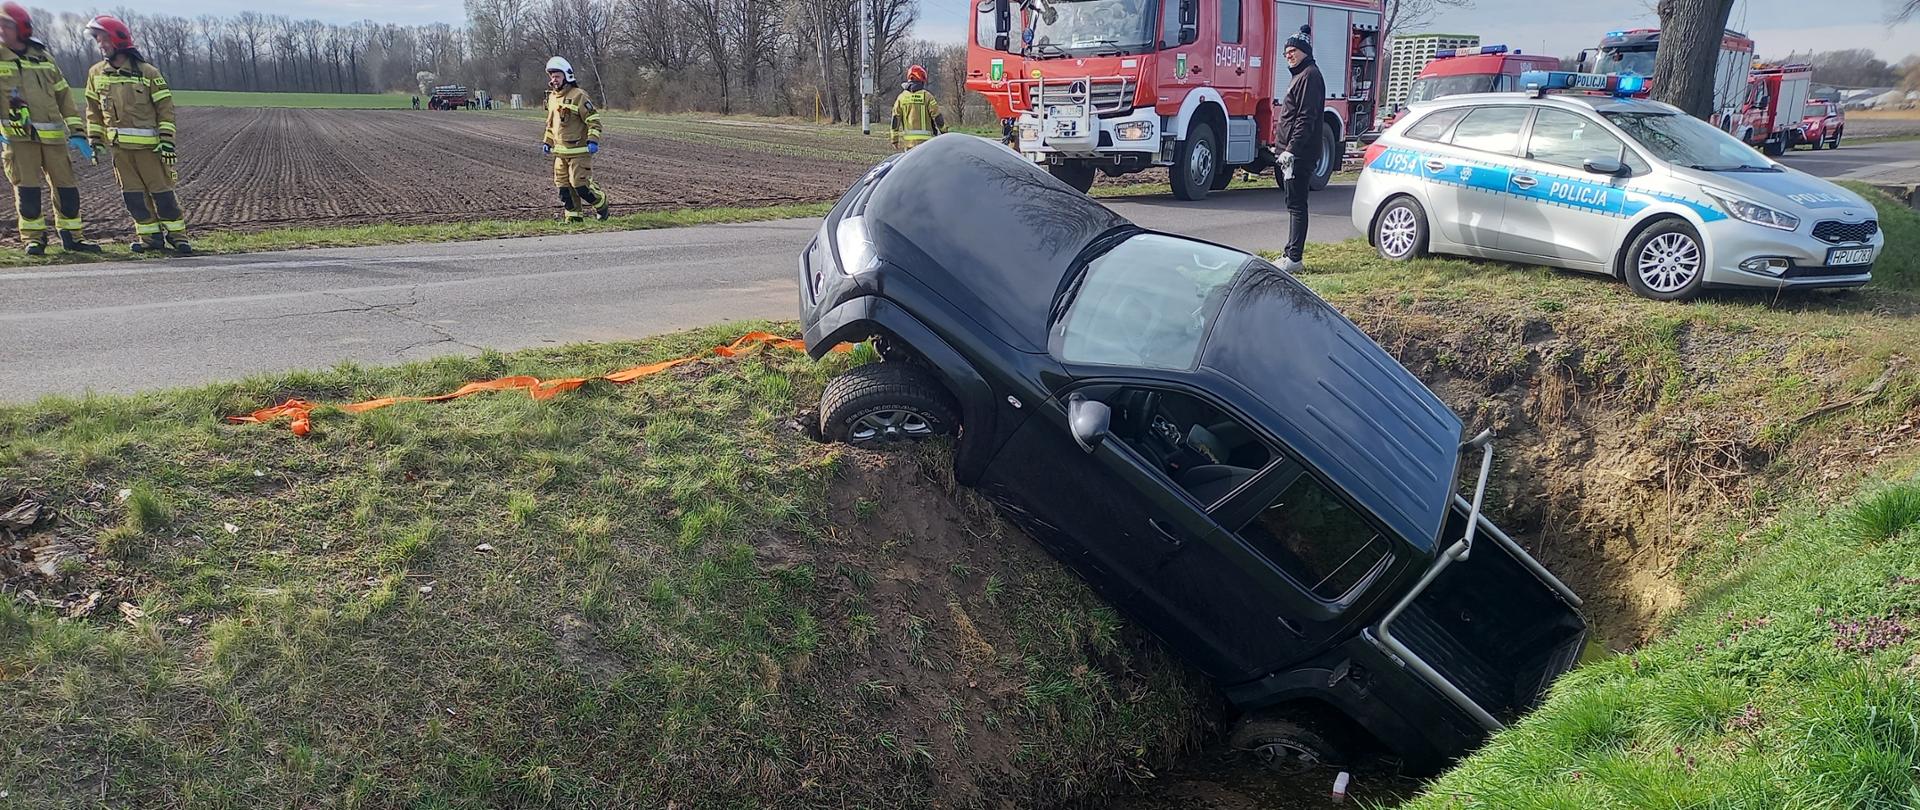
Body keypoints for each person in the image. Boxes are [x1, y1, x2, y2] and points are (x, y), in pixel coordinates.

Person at [0, 2, 99, 255]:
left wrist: (76, 130)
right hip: (19, 139)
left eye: (7, 24)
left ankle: (73, 237)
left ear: (22, 28)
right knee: (28, 191)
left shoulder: (44, 58)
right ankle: (34, 239)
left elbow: (63, 95)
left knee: (67, 189)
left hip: (54, 140)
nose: (1, 29)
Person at [84, 15, 187, 253]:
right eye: (98, 40)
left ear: (118, 39)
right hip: (120, 152)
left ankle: (178, 238)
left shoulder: (148, 73)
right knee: (134, 198)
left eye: (103, 39)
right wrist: (95, 140)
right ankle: (150, 240)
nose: (101, 45)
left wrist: (167, 142)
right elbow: (93, 111)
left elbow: (165, 110)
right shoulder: (96, 74)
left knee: (163, 196)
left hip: (150, 150)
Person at [1275, 24, 1324, 274]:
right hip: (1293, 153)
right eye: (1286, 52)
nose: (1289, 55)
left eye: (1293, 50)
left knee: (1296, 204)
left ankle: (1294, 258)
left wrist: (1291, 150)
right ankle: (1289, 252)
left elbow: (1306, 117)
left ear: (1305, 51)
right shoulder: (1301, 76)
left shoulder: (1309, 76)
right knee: (1292, 201)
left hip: (1300, 154)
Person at [542, 56, 608, 223]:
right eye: (551, 76)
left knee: (581, 185)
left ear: (567, 76)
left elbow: (594, 120)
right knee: (564, 187)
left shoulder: (579, 95)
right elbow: (551, 125)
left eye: (557, 76)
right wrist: (547, 142)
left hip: (579, 151)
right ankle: (574, 217)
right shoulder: (552, 98)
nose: (553, 80)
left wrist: (593, 140)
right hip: (560, 153)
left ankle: (601, 202)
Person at [890, 65, 945, 151]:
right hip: (926, 144)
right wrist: (944, 133)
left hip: (909, 145)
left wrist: (894, 139)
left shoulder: (901, 98)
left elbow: (895, 119)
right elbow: (937, 117)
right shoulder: (927, 97)